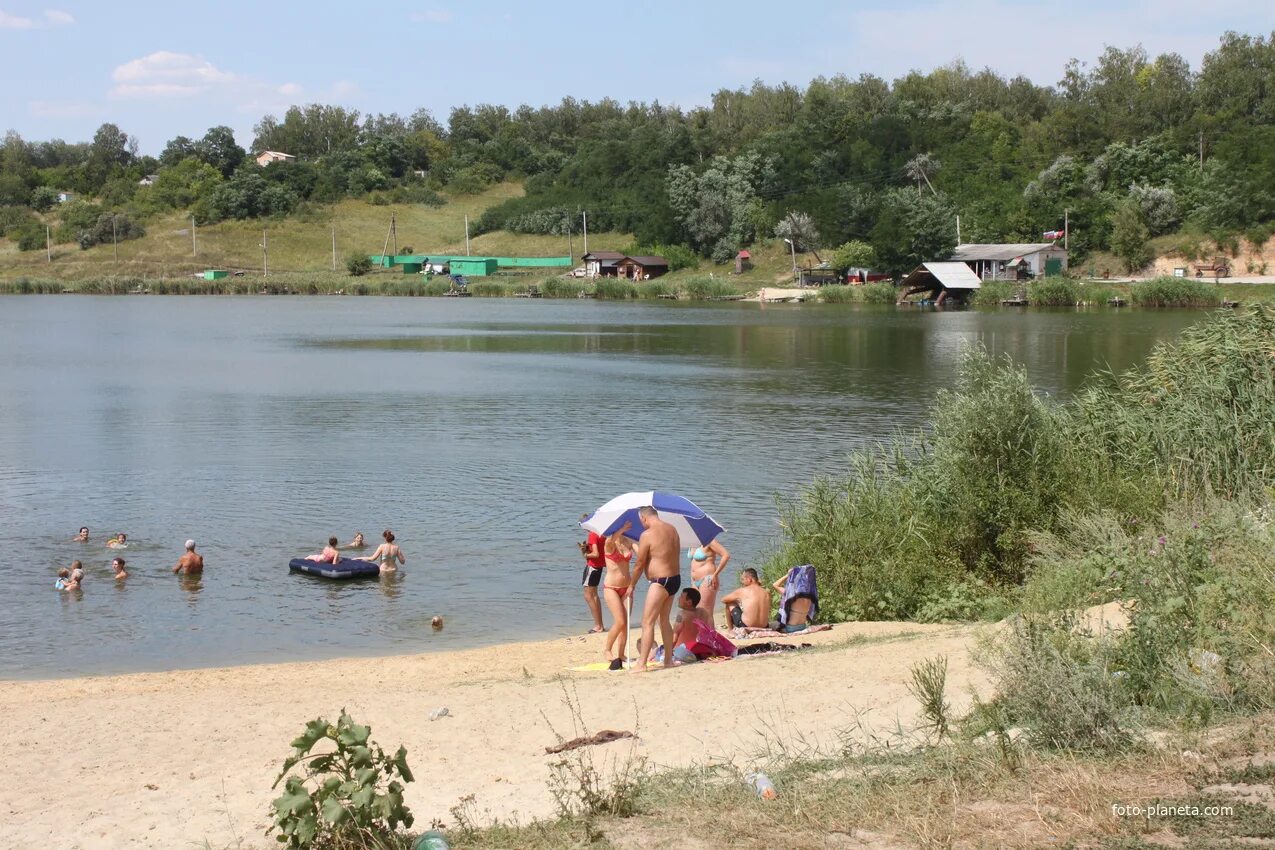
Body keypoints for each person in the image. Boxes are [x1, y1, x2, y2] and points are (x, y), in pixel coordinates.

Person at [628, 506, 681, 671]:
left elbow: (639, 563)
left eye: (640, 521)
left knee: (647, 622)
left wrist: (632, 585)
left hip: (660, 582)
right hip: (674, 579)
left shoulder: (647, 534)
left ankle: (642, 664)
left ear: (644, 518)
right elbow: (666, 553)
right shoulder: (672, 529)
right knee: (664, 620)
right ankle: (668, 660)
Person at [669, 587, 737, 663]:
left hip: (685, 649)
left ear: (689, 602)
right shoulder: (703, 612)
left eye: (681, 597)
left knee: (658, 650)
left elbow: (674, 637)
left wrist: (667, 653)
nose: (678, 598)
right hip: (701, 649)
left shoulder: (681, 614)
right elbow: (712, 632)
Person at [602, 521, 636, 671]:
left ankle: (621, 654)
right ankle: (607, 649)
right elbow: (611, 539)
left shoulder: (627, 541)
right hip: (611, 587)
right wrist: (621, 529)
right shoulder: (609, 543)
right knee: (620, 621)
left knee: (626, 623)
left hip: (627, 587)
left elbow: (641, 552)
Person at [689, 539, 730, 619]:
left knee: (706, 612)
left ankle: (710, 631)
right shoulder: (693, 542)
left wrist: (715, 574)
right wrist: (692, 580)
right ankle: (701, 631)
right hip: (694, 582)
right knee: (696, 611)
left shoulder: (710, 541)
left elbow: (726, 555)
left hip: (707, 580)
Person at [579, 514, 606, 634]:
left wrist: (585, 554)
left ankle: (598, 625)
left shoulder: (592, 535)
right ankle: (600, 624)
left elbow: (595, 554)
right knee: (594, 595)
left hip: (593, 567)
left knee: (589, 595)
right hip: (598, 567)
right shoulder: (601, 533)